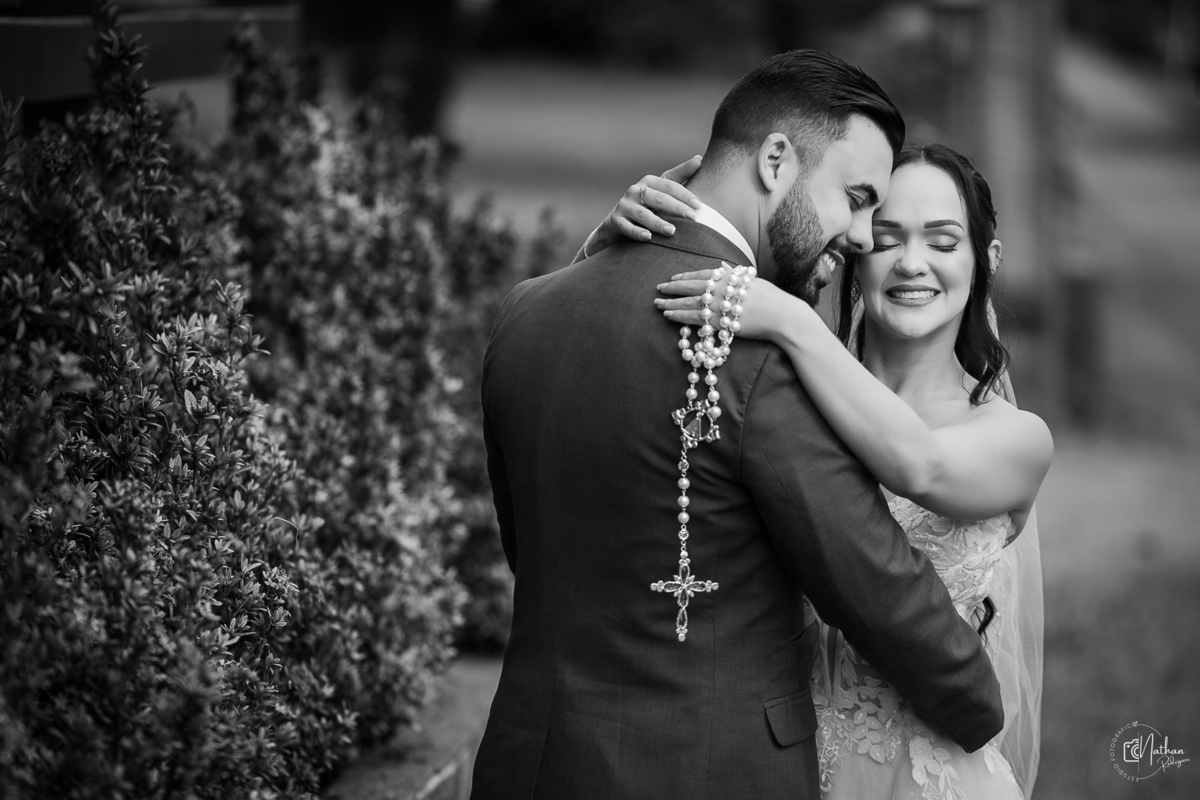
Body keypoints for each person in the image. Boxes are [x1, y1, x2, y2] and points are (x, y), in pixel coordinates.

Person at [473, 50, 1004, 800]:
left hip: (528, 767)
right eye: (856, 197)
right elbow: (870, 578)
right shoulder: (757, 351)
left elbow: (533, 550)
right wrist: (977, 702)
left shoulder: (524, 313)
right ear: (775, 161)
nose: (862, 236)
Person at [584, 141, 1051, 798]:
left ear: (987, 260)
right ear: (854, 250)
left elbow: (920, 465)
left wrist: (792, 322)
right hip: (777, 765)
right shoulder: (778, 398)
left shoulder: (1017, 437)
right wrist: (606, 251)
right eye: (886, 238)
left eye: (943, 242)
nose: (911, 262)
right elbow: (616, 407)